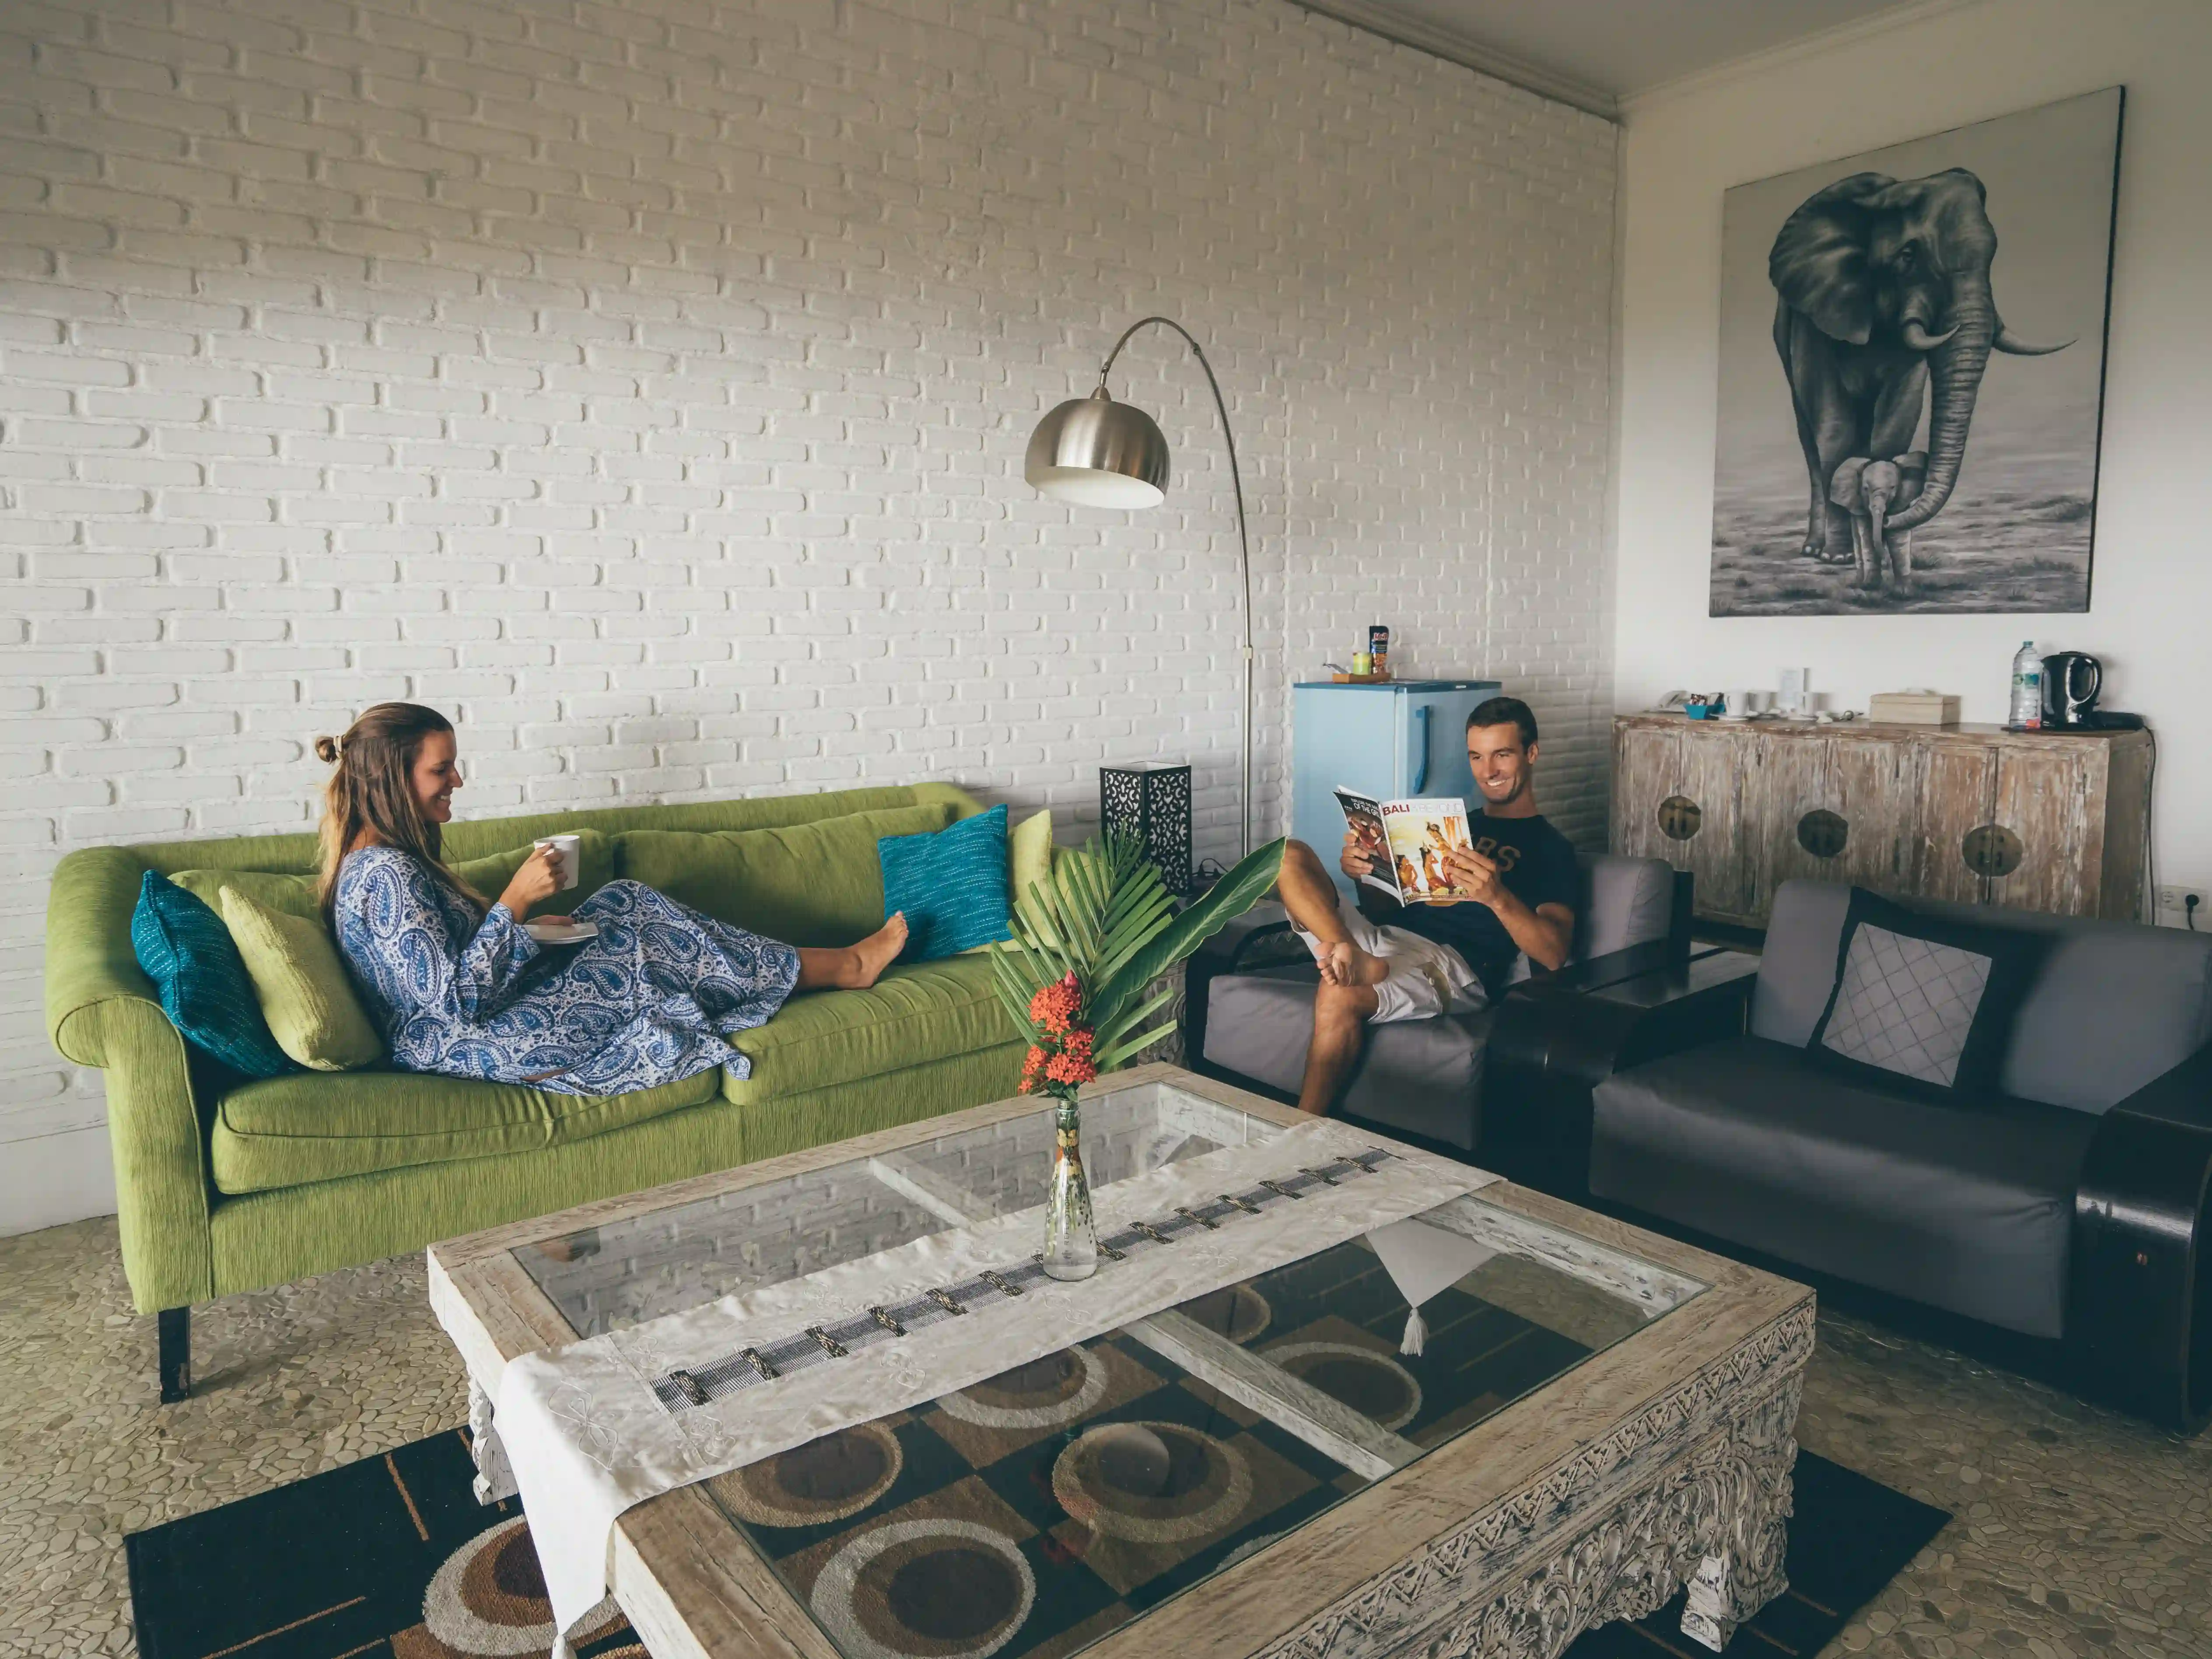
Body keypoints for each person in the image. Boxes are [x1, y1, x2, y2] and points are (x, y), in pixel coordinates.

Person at [318, 702, 908, 1095]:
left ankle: (825, 966)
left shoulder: (382, 863)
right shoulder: (385, 874)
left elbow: (449, 969)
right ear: (392, 778)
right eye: (441, 770)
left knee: (621, 906)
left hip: (482, 1021)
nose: (457, 782)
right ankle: (844, 966)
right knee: (638, 936)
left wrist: (531, 935)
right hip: (478, 1043)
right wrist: (514, 901)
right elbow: (453, 1004)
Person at [1273, 696, 1579, 1116]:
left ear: (1531, 754)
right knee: (1286, 855)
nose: (1487, 771)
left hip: (1456, 964)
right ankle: (1345, 949)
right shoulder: (1454, 824)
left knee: (1339, 993)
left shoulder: (1551, 849)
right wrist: (1367, 872)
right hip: (1385, 940)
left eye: (1502, 755)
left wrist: (1496, 897)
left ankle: (1298, 1131)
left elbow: (1554, 953)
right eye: (1476, 757)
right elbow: (1385, 911)